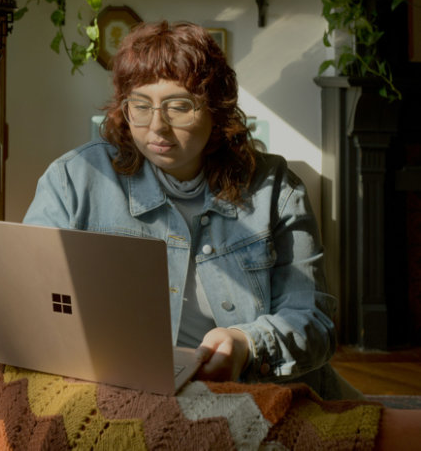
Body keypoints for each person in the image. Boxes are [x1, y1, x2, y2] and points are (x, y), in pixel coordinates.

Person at [23, 20, 356, 400]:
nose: (156, 128)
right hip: (127, 391)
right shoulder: (73, 180)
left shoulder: (275, 188)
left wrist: (247, 344)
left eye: (179, 107)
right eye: (140, 106)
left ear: (217, 109)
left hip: (262, 391)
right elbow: (33, 303)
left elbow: (314, 321)